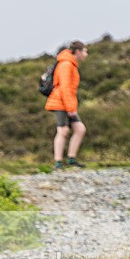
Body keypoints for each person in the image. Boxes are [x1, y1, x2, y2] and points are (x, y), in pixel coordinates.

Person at [45, 40, 89, 170]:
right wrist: (71, 108)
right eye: (85, 51)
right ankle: (58, 162)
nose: (86, 54)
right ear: (78, 52)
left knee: (80, 129)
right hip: (61, 102)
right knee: (63, 131)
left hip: (67, 103)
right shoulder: (66, 65)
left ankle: (71, 158)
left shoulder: (71, 64)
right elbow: (65, 88)